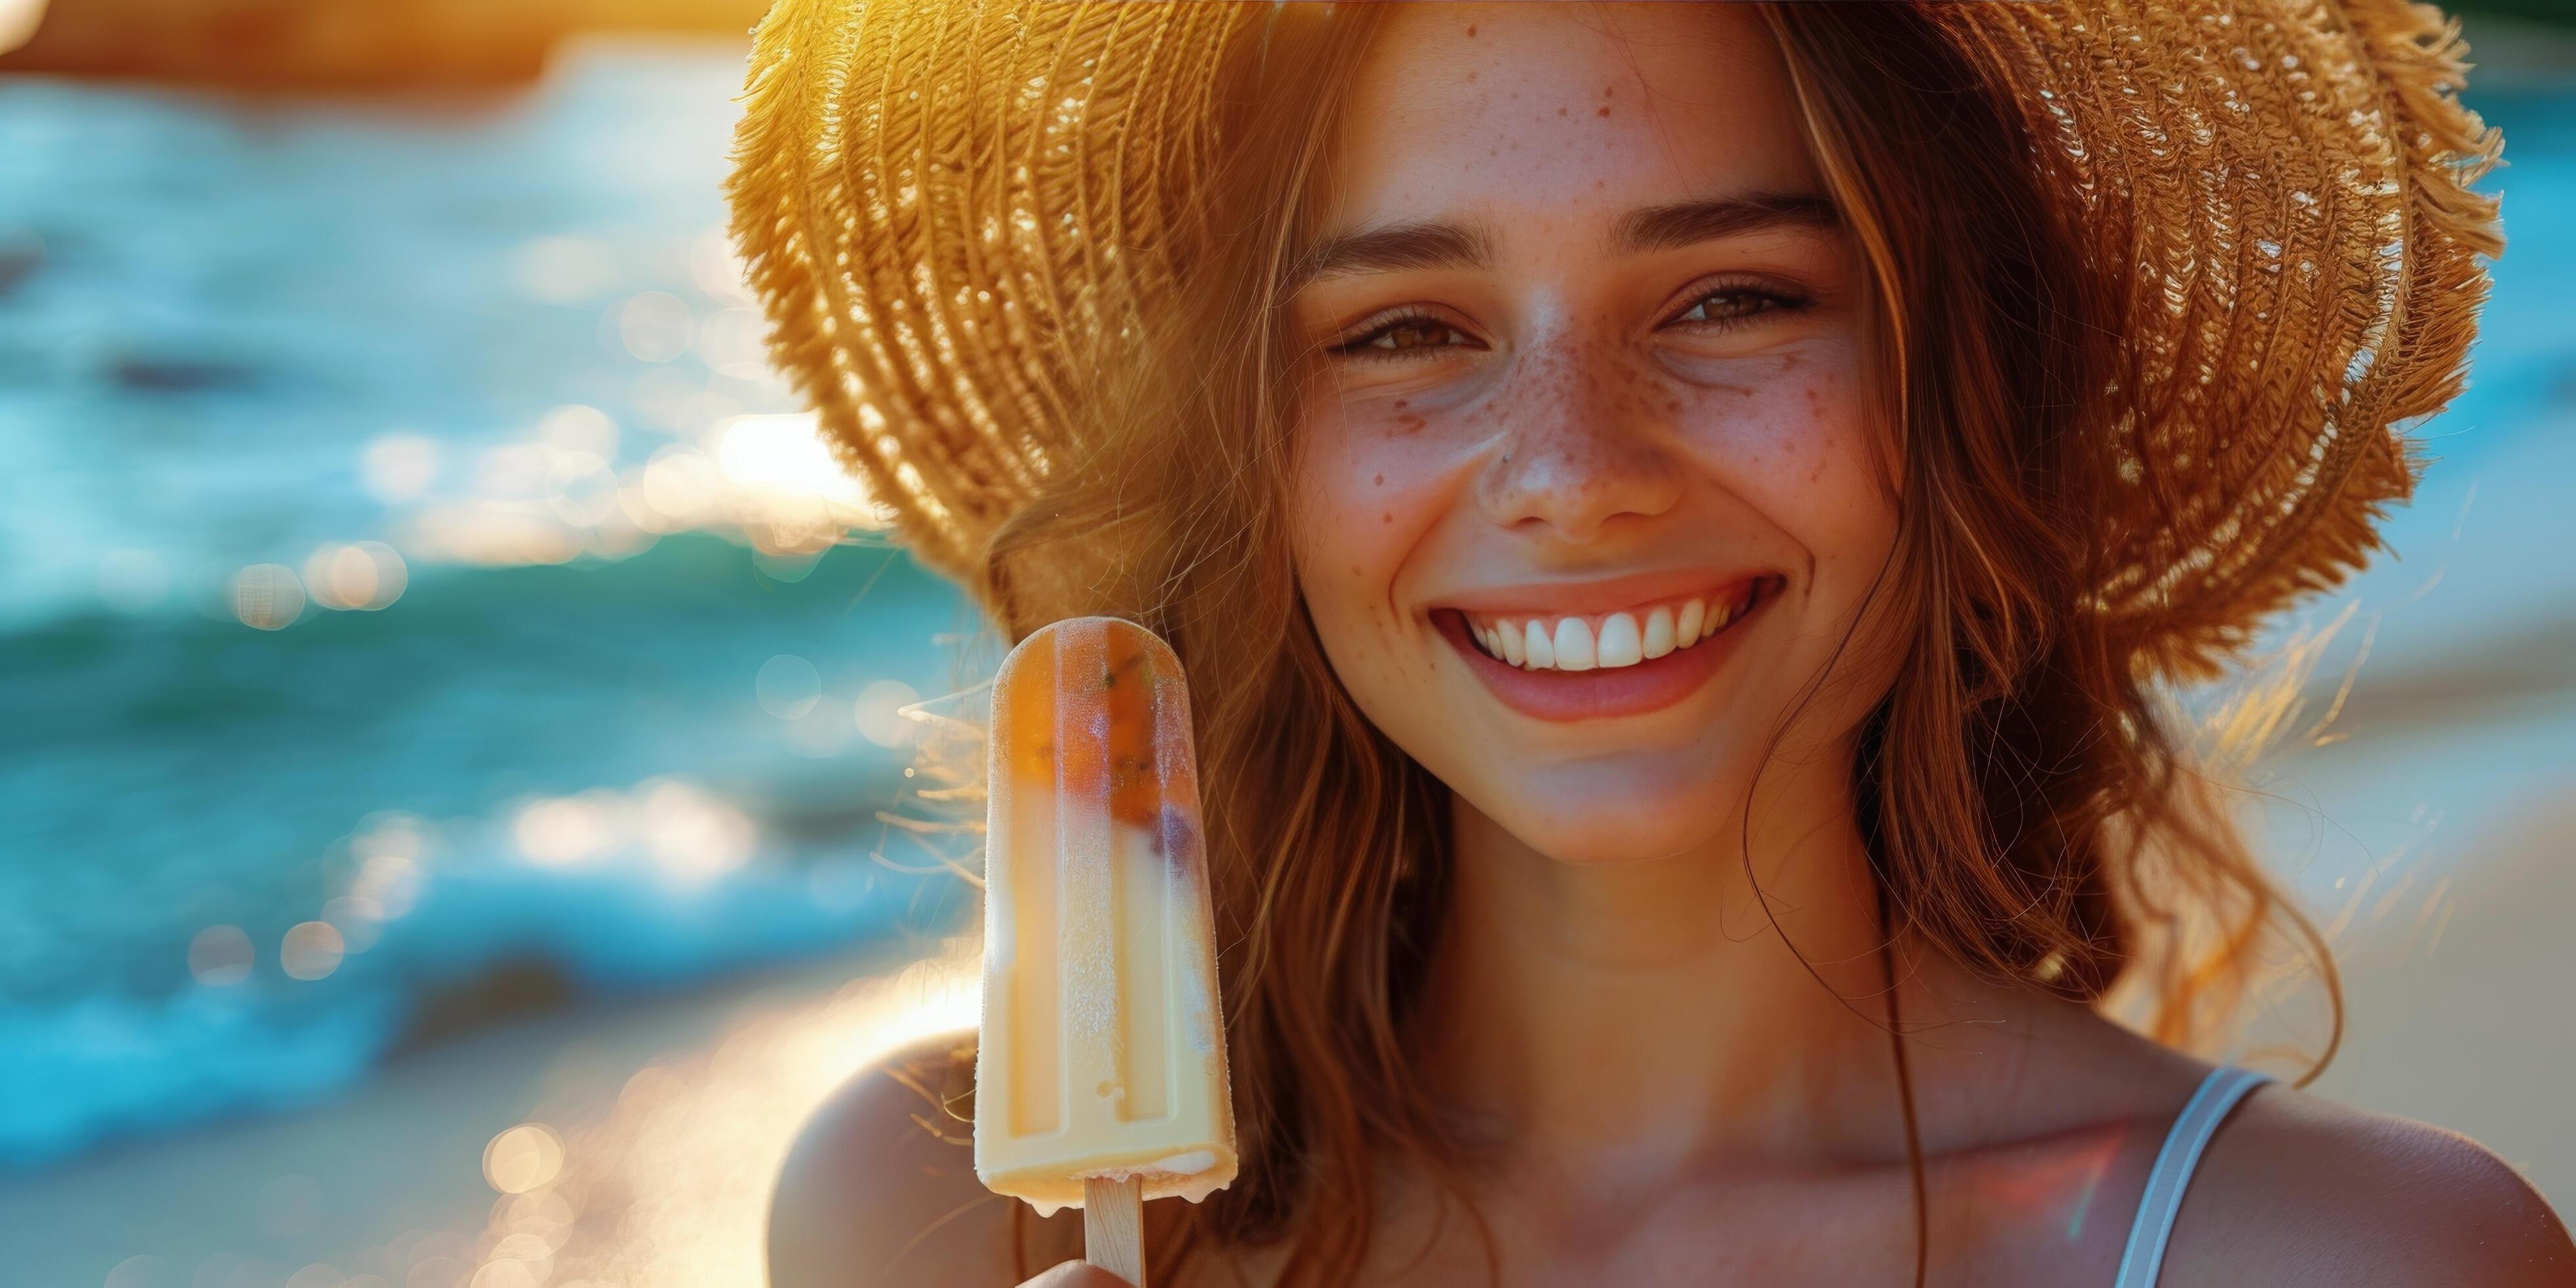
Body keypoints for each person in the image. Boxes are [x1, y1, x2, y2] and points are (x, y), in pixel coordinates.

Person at [729, 2, 2574, 1284]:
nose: (1572, 474)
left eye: (1732, 298)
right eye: (1405, 330)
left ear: (1961, 401)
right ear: (1254, 459)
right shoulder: (934, 1225)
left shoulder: (2352, 1265)